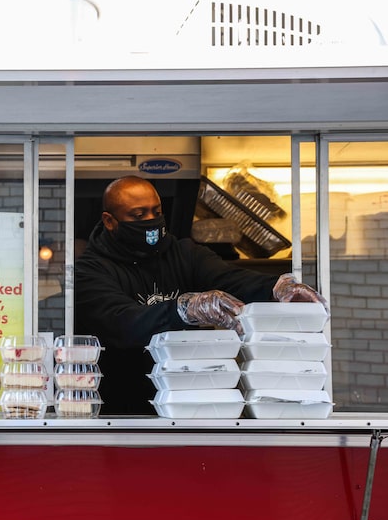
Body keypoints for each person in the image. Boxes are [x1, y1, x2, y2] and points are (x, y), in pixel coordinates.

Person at [74, 175, 326, 415]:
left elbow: (231, 279)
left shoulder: (184, 253)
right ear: (109, 221)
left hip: (189, 401)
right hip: (122, 408)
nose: (151, 220)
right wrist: (184, 309)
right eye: (139, 215)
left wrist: (276, 287)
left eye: (157, 212)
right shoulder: (91, 269)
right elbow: (122, 323)